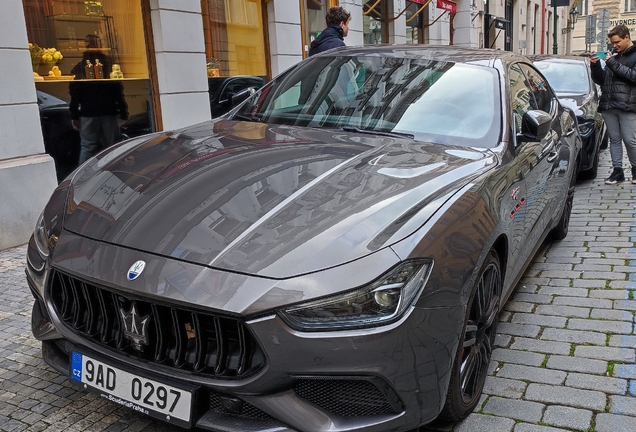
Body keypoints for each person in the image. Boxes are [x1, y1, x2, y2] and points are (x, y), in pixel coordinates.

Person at [69, 34, 128, 165]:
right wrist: (123, 112)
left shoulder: (80, 67)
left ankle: (82, 178)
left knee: (88, 147)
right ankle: (113, 171)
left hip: (88, 112)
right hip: (108, 111)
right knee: (112, 147)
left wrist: (74, 115)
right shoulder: (107, 64)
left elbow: (75, 93)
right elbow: (117, 90)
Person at [590, 24, 636, 185]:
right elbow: (602, 80)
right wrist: (595, 65)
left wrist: (612, 63)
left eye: (617, 42)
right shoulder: (614, 56)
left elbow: (633, 76)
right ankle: (618, 172)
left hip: (628, 105)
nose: (614, 46)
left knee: (630, 140)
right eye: (612, 43)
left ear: (627, 37)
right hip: (609, 104)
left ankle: (635, 170)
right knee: (614, 140)